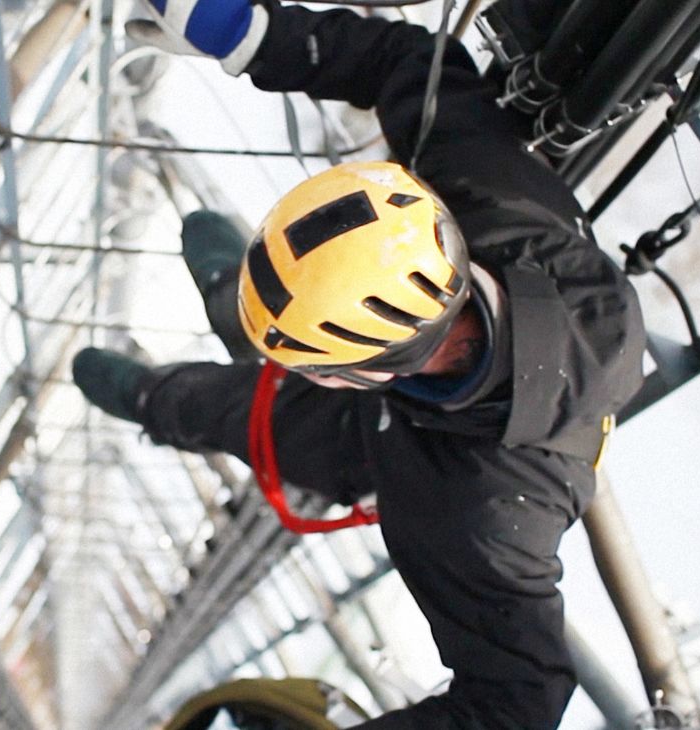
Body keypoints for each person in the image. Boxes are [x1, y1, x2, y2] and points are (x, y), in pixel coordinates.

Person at [73, 0, 647, 727]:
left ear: (359, 373)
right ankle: (231, 297)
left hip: (398, 457)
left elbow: (517, 705)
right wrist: (254, 35)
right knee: (249, 334)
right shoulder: (502, 211)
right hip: (423, 414)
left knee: (221, 409)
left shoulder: (477, 522)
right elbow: (412, 60)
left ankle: (157, 394)